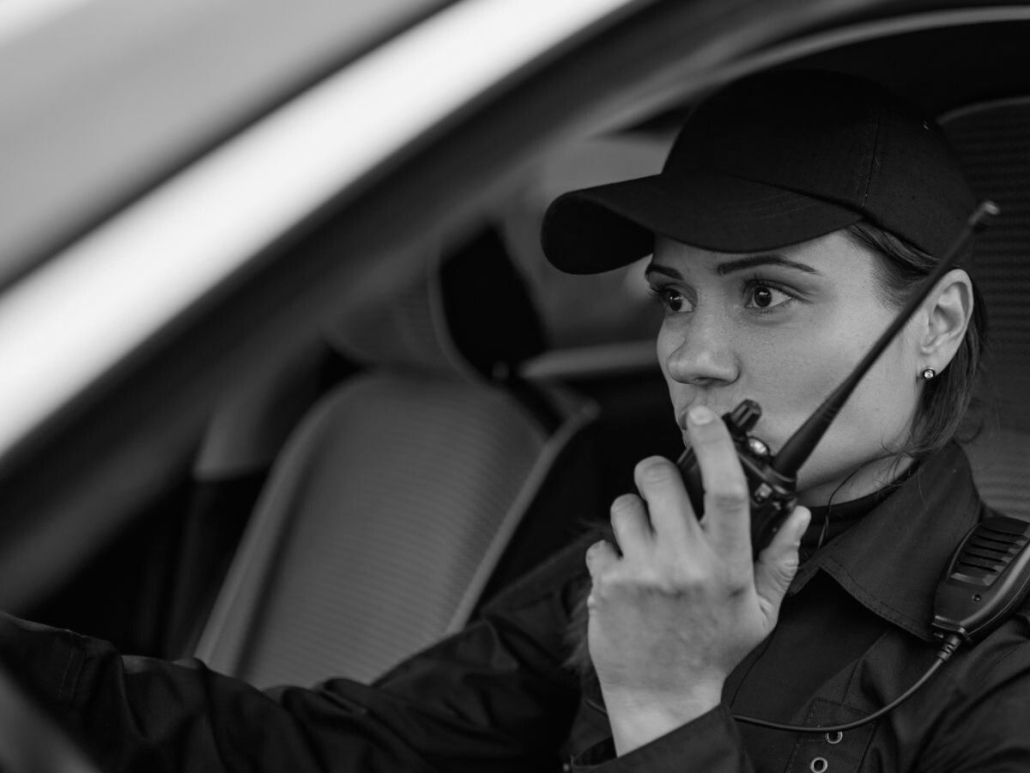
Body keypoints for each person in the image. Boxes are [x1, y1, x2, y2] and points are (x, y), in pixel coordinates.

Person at [2, 68, 1029, 772]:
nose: (689, 355)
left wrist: (667, 707)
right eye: (674, 296)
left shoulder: (997, 674)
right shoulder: (639, 563)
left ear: (933, 324)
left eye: (766, 294)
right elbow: (344, 752)